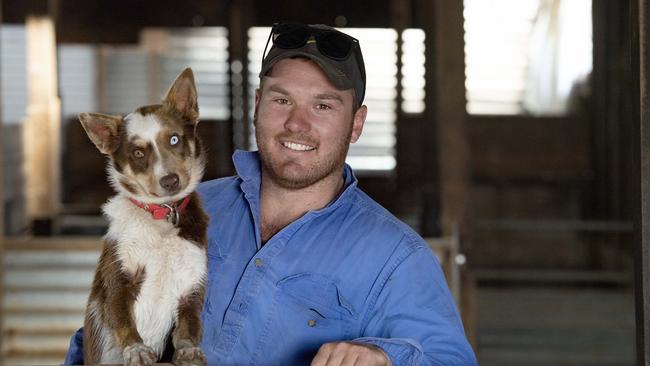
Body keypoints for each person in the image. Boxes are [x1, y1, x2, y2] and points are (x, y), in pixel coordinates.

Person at [65, 22, 477, 365]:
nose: (296, 124)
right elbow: (99, 327)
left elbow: (451, 360)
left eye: (323, 106)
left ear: (356, 124)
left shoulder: (396, 257)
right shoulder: (173, 211)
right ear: (259, 104)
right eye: (282, 100)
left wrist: (383, 356)